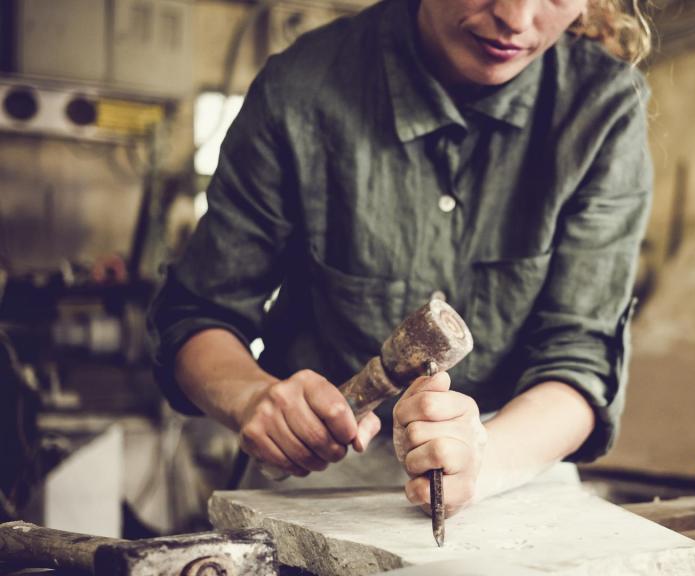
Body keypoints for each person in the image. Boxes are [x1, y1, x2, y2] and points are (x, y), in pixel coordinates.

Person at [149, 0, 653, 516]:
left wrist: (481, 458)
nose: (516, 19)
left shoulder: (603, 104)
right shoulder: (301, 86)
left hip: (515, 465)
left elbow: (581, 359)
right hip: (318, 484)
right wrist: (251, 397)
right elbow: (199, 314)